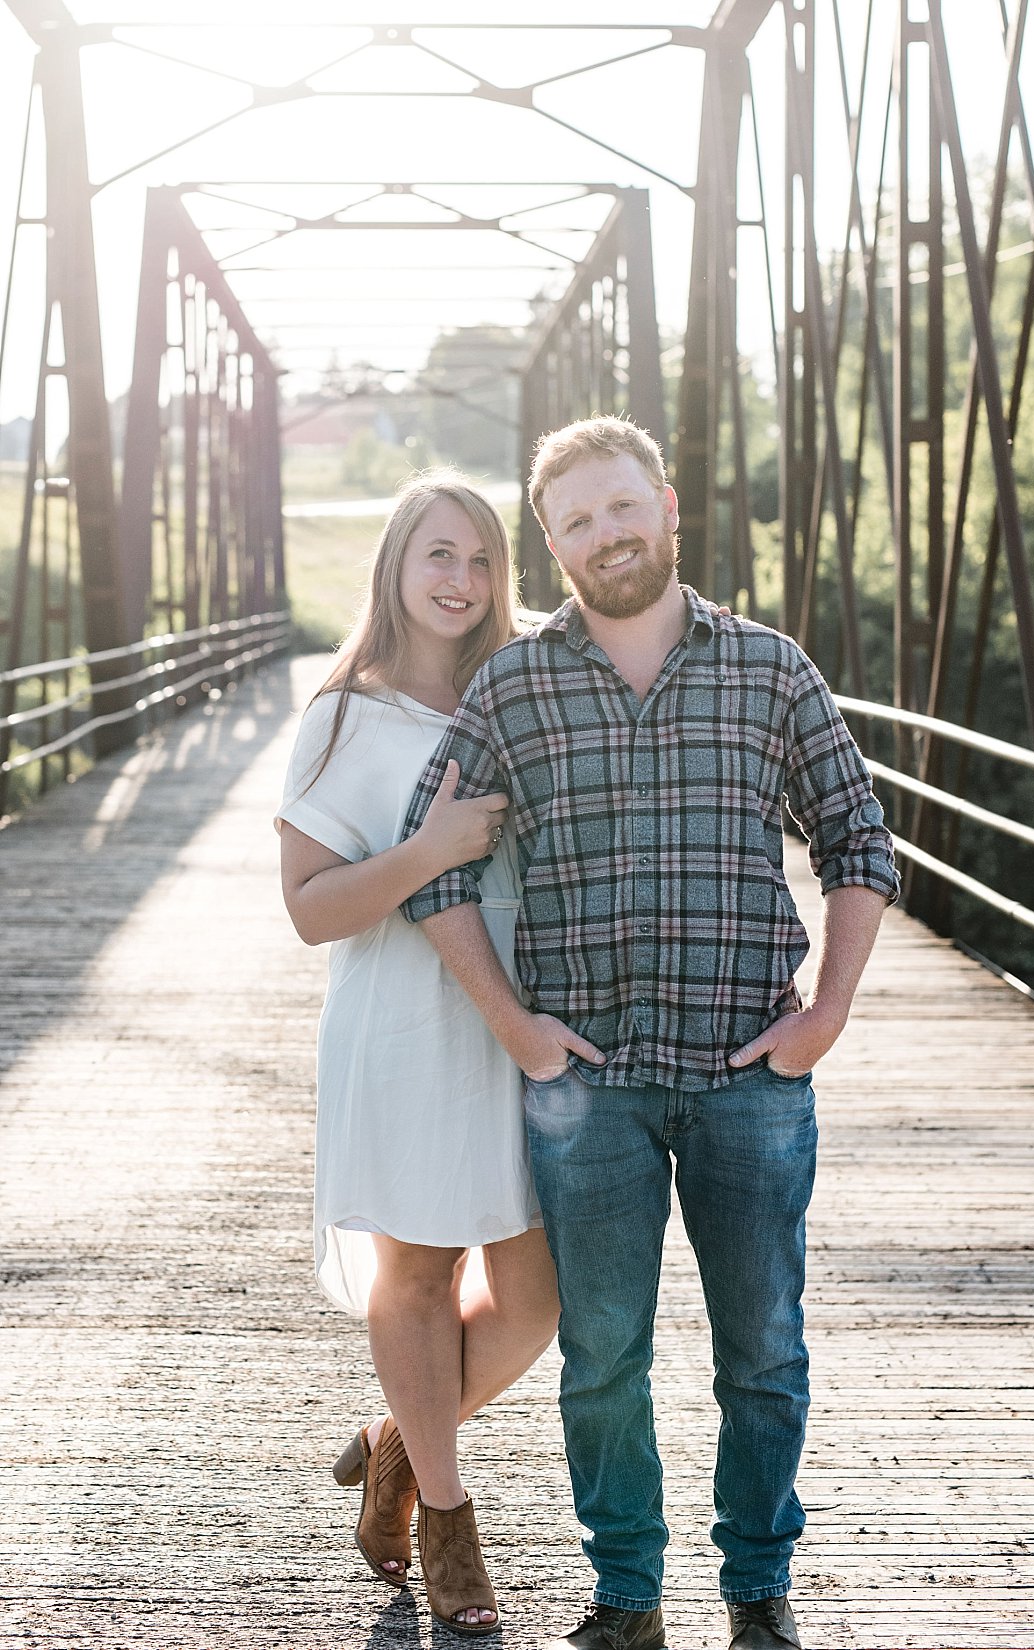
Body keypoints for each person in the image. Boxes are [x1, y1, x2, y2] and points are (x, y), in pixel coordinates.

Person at [400, 417, 900, 1650]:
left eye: (619, 509)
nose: (603, 536)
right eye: (573, 522)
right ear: (551, 544)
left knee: (762, 1354)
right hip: (590, 1088)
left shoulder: (770, 667)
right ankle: (625, 1592)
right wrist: (512, 1025)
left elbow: (858, 841)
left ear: (665, 506)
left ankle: (756, 1589)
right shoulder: (513, 686)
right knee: (602, 1357)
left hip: (749, 1074)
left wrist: (826, 1010)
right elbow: (428, 870)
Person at [276, 473, 561, 1636]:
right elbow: (308, 908)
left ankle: (397, 1444)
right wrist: (429, 847)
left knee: (539, 1303)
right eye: (437, 555)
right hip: (402, 1023)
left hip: (519, 1018)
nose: (460, 580)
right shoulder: (343, 715)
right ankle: (443, 1518)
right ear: (395, 567)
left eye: (483, 559)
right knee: (421, 1273)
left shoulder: (530, 691)